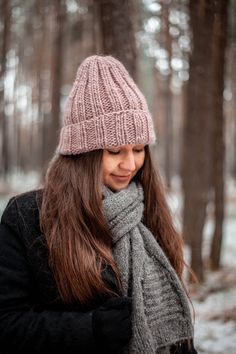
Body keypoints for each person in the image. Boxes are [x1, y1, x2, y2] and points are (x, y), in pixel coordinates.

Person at [0, 55, 198, 354]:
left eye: (139, 149)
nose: (130, 164)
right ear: (83, 154)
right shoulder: (28, 217)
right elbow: (8, 325)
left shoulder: (148, 208)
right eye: (114, 150)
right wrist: (90, 329)